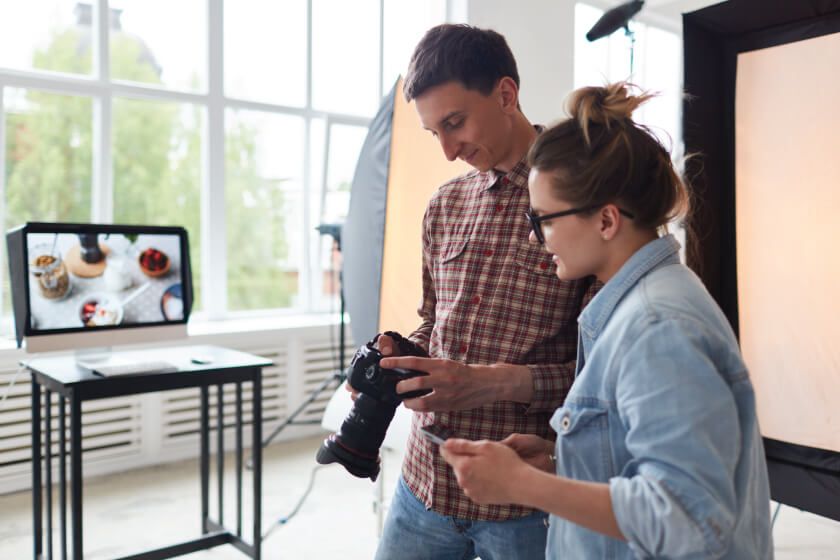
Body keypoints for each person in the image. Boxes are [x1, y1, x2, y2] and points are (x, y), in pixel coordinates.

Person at [439, 82, 774, 559]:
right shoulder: (639, 306)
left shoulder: (657, 328)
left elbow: (689, 520)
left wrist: (525, 486)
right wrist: (562, 461)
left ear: (606, 221)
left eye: (544, 221)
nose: (537, 240)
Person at [353, 24, 597, 560]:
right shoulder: (444, 204)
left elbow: (601, 373)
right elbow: (433, 322)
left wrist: (490, 384)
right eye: (432, 132)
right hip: (423, 483)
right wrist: (395, 358)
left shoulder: (582, 203)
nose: (446, 150)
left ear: (506, 94)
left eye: (455, 123)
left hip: (524, 503)